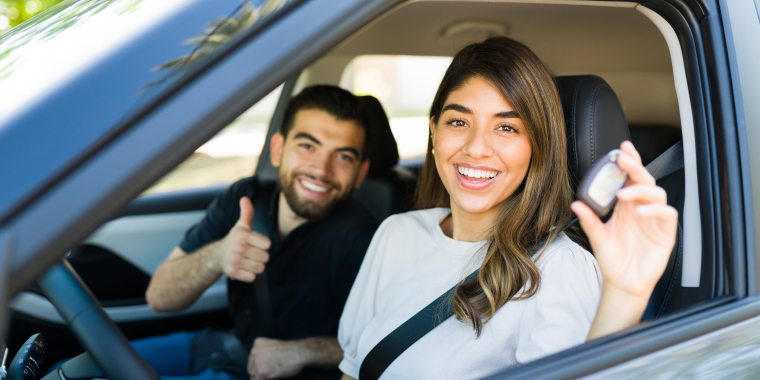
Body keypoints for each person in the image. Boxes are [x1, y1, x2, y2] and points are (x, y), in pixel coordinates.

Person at [337, 37, 678, 380]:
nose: (477, 148)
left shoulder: (559, 268)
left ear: (537, 147)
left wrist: (624, 294)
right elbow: (353, 372)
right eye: (459, 122)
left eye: (506, 127)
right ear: (433, 130)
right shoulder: (396, 233)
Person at [141, 85, 379, 380]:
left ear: (360, 173)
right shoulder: (245, 198)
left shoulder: (364, 240)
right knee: (76, 366)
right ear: (278, 149)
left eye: (343, 156)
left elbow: (384, 344)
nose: (321, 169)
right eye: (307, 146)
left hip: (279, 375)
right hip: (219, 346)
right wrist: (216, 256)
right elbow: (159, 297)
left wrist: (303, 351)